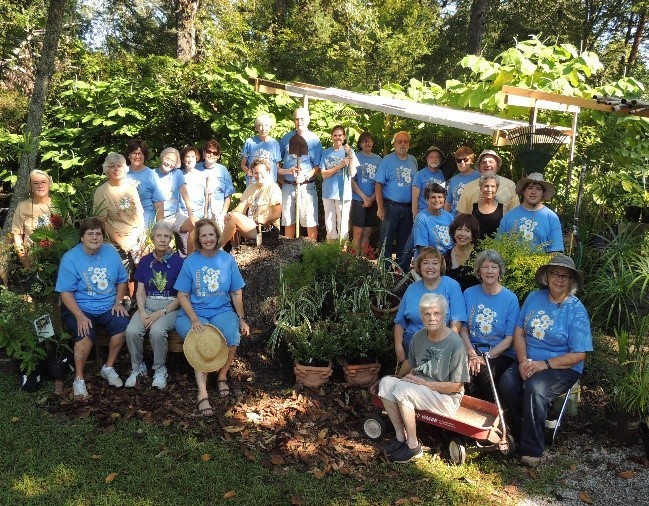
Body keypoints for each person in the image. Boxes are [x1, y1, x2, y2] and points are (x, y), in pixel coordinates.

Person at [500, 255, 592, 467]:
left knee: (535, 387)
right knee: (508, 382)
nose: (559, 279)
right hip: (529, 361)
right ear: (547, 276)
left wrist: (544, 365)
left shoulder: (576, 309)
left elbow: (579, 354)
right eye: (555, 273)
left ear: (571, 281)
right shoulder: (534, 297)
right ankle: (519, 431)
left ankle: (531, 448)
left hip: (562, 366)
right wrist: (523, 361)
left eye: (565, 276)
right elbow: (519, 332)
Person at [378, 293, 470, 463]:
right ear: (421, 316)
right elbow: (410, 363)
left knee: (404, 390)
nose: (432, 318)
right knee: (386, 383)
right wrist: (397, 378)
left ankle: (413, 447)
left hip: (446, 398)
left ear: (445, 315)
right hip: (419, 388)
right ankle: (401, 438)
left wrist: (425, 384)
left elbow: (456, 386)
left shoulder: (455, 344)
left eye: (436, 313)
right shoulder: (419, 337)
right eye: (427, 314)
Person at [174, 219, 250, 415]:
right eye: (203, 235)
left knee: (232, 335)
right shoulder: (190, 262)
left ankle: (222, 376)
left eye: (211, 234)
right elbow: (182, 295)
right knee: (203, 338)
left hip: (221, 310)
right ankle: (202, 393)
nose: (208, 238)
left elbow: (236, 292)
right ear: (198, 239)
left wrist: (241, 318)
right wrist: (194, 320)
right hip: (192, 314)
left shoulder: (227, 260)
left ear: (217, 236)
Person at [55, 217, 130, 398]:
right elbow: (65, 292)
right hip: (80, 307)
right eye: (90, 234)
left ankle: (108, 367)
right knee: (85, 335)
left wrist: (118, 302)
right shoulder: (71, 258)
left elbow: (122, 280)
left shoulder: (111, 253)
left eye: (98, 234)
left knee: (123, 326)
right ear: (82, 237)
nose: (95, 237)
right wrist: (79, 316)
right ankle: (79, 379)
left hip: (108, 305)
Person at [124, 221, 184, 390]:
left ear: (171, 240)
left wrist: (163, 312)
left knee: (157, 331)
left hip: (171, 307)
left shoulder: (179, 262)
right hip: (148, 305)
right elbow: (140, 291)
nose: (162, 240)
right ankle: (137, 368)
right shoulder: (145, 261)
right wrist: (142, 311)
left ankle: (159, 370)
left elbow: (182, 295)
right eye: (159, 236)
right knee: (132, 331)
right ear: (153, 238)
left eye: (166, 236)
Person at [461, 250, 519, 402]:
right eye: (485, 267)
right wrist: (471, 353)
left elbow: (510, 338)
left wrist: (485, 357)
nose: (489, 271)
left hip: (500, 353)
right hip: (473, 350)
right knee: (465, 372)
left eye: (493, 267)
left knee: (484, 372)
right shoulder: (469, 293)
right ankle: (475, 418)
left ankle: (495, 416)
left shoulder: (510, 299)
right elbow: (463, 329)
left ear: (500, 270)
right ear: (479, 270)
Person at [394, 247, 466, 363]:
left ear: (440, 266)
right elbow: (400, 322)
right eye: (425, 263)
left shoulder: (451, 286)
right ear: (419, 266)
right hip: (412, 342)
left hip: (441, 342)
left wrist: (450, 346)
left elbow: (456, 321)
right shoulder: (412, 289)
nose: (430, 267)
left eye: (435, 263)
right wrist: (398, 347)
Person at [93, 153, 145, 277]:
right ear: (107, 170)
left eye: (119, 166)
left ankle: (137, 295)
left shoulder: (131, 188)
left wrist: (142, 237)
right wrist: (121, 241)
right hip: (115, 239)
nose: (116, 169)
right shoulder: (101, 191)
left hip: (135, 235)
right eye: (112, 166)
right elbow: (102, 222)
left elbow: (139, 214)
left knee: (145, 268)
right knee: (122, 273)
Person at [278, 107, 323, 240]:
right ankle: (289, 251)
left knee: (310, 220)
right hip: (287, 185)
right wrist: (281, 178)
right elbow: (277, 161)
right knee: (288, 219)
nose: (299, 121)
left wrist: (305, 176)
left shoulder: (314, 140)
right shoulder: (287, 138)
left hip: (306, 186)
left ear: (308, 120)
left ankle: (311, 253)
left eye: (302, 119)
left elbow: (318, 166)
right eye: (297, 119)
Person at [375, 131, 418, 266]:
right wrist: (380, 208)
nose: (403, 144)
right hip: (391, 207)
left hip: (408, 209)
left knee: (404, 243)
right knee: (386, 242)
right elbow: (378, 185)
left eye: (405, 141)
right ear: (394, 144)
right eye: (400, 141)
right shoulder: (387, 160)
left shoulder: (413, 160)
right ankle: (383, 272)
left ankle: (401, 273)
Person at [219, 158, 282, 248]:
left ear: (268, 172)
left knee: (233, 217)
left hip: (268, 229)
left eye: (262, 172)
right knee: (231, 217)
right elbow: (240, 209)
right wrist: (230, 214)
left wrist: (264, 219)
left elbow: (277, 213)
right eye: (256, 173)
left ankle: (218, 249)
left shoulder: (273, 188)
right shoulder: (251, 187)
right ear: (252, 173)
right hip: (253, 225)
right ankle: (235, 249)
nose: (259, 175)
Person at [497, 173, 564, 253]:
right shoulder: (509, 217)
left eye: (538, 189)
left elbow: (556, 251)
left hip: (543, 264)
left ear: (543, 193)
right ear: (524, 191)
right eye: (530, 188)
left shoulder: (551, 218)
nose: (534, 192)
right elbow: (498, 248)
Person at [320, 125, 359, 242]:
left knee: (343, 224)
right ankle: (330, 251)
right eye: (335, 135)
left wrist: (350, 155)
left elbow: (352, 173)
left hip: (343, 193)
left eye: (340, 135)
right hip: (328, 193)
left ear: (344, 137)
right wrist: (340, 166)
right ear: (332, 137)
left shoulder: (349, 152)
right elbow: (324, 174)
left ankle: (342, 252)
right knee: (329, 224)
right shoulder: (326, 153)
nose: (337, 138)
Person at [154, 147, 195, 255]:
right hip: (157, 218)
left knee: (195, 226)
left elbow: (185, 195)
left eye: (173, 161)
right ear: (162, 157)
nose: (169, 163)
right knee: (163, 244)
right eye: (168, 159)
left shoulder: (177, 174)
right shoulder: (152, 174)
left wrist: (191, 215)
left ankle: (190, 259)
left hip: (174, 216)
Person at [11, 169, 53, 268]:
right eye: (36, 183)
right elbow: (17, 236)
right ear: (31, 187)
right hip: (33, 262)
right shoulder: (23, 206)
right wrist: (25, 261)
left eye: (43, 182)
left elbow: (68, 232)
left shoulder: (58, 205)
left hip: (56, 259)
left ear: (49, 185)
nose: (40, 185)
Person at [456, 149, 518, 215]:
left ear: (497, 166)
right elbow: (462, 214)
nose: (487, 164)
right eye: (483, 162)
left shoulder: (510, 185)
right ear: (479, 167)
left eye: (491, 162)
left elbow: (515, 214)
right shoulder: (469, 187)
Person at [351, 131, 381, 256]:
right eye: (364, 141)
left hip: (373, 200)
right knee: (357, 232)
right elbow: (351, 180)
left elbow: (380, 181)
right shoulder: (355, 157)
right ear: (360, 144)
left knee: (367, 232)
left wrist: (372, 198)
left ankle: (363, 260)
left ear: (373, 142)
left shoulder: (378, 159)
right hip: (358, 199)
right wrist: (364, 197)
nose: (367, 143)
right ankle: (353, 261)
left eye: (369, 140)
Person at [124, 138, 165, 227]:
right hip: (125, 217)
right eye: (134, 153)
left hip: (146, 217)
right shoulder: (122, 173)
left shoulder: (151, 174)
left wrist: (160, 226)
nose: (137, 156)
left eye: (140, 153)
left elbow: (159, 202)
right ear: (128, 155)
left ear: (145, 156)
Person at [197, 139, 235, 234]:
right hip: (199, 212)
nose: (211, 155)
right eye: (209, 151)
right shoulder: (195, 168)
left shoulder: (223, 170)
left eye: (215, 153)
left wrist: (223, 214)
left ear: (218, 156)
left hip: (218, 213)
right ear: (204, 153)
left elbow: (228, 195)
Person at [412, 183, 454, 256]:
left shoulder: (449, 217)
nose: (437, 200)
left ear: (444, 199)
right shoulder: (421, 218)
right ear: (427, 200)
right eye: (433, 197)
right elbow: (423, 248)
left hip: (448, 259)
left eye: (440, 197)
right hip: (428, 259)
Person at [240, 113, 282, 185]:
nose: (263, 128)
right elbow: (243, 164)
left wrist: (289, 171)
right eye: (260, 125)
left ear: (270, 128)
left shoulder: (274, 143)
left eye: (266, 125)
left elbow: (277, 167)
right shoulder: (249, 142)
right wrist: (249, 171)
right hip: (253, 183)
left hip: (269, 183)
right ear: (256, 127)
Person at [444, 213, 481, 292]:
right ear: (453, 232)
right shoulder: (447, 256)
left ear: (473, 235)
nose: (462, 234)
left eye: (467, 231)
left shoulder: (479, 256)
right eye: (459, 229)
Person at [445, 146, 480, 216]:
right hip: (455, 221)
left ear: (471, 160)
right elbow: (448, 203)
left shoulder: (479, 177)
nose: (462, 162)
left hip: (473, 220)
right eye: (459, 160)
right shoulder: (453, 180)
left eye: (465, 159)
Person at [412, 146, 446, 217]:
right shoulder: (419, 175)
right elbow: (415, 198)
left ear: (440, 159)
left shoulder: (441, 174)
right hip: (423, 214)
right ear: (427, 159)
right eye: (431, 157)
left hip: (438, 214)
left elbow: (443, 195)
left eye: (437, 157)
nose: (434, 160)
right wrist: (415, 216)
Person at [471, 173, 504, 240]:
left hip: (496, 249)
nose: (489, 189)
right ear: (481, 188)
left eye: (492, 186)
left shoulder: (503, 209)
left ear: (496, 189)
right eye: (486, 186)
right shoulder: (473, 208)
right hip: (475, 249)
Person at [180, 145, 209, 221]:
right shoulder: (178, 175)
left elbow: (207, 197)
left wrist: (206, 215)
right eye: (187, 157)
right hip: (182, 214)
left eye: (192, 157)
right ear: (183, 160)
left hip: (200, 214)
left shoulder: (203, 175)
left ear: (196, 159)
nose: (190, 159)